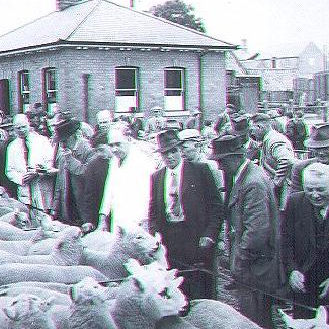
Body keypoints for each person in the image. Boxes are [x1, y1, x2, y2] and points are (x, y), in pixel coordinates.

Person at [210, 134, 281, 328]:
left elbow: (256, 231)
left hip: (256, 268)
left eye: (221, 161)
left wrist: (238, 263)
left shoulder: (252, 183)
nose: (219, 167)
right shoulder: (246, 175)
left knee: (254, 320)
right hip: (254, 265)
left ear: (234, 157)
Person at [149, 130, 224, 300]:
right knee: (178, 288)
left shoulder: (200, 171)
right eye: (165, 153)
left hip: (197, 239)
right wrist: (155, 233)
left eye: (173, 151)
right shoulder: (157, 177)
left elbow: (216, 207)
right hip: (171, 240)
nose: (169, 157)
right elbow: (153, 211)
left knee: (201, 288)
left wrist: (210, 235)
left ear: (180, 150)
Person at [281, 163, 329, 320]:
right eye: (309, 190)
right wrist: (292, 271)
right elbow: (285, 241)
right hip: (303, 285)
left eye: (321, 190)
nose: (315, 195)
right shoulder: (294, 202)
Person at [97, 125, 156, 231]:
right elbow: (109, 189)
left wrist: (145, 222)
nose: (114, 149)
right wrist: (103, 217)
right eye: (111, 145)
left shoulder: (143, 161)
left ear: (128, 139)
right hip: (118, 219)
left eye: (118, 144)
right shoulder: (114, 161)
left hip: (137, 222)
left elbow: (148, 195)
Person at [287, 123, 329, 198]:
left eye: (326, 148)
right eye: (317, 148)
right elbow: (295, 200)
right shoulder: (300, 168)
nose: (321, 153)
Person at [6, 113, 55, 214]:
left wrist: (38, 172)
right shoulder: (12, 146)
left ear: (28, 125)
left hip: (41, 184)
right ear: (14, 129)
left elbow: (50, 162)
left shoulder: (42, 141)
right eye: (18, 128)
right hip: (25, 189)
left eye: (24, 127)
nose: (22, 130)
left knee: (44, 214)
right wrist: (21, 178)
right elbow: (9, 170)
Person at [52, 117, 96, 224]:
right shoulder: (64, 153)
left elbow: (86, 173)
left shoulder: (89, 150)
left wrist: (70, 159)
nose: (62, 145)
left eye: (64, 141)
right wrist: (55, 208)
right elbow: (59, 183)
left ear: (72, 136)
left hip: (84, 207)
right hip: (68, 207)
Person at [250, 113, 296, 203]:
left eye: (252, 130)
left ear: (260, 127)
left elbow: (287, 160)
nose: (252, 133)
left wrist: (276, 183)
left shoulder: (275, 140)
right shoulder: (269, 139)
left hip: (281, 191)